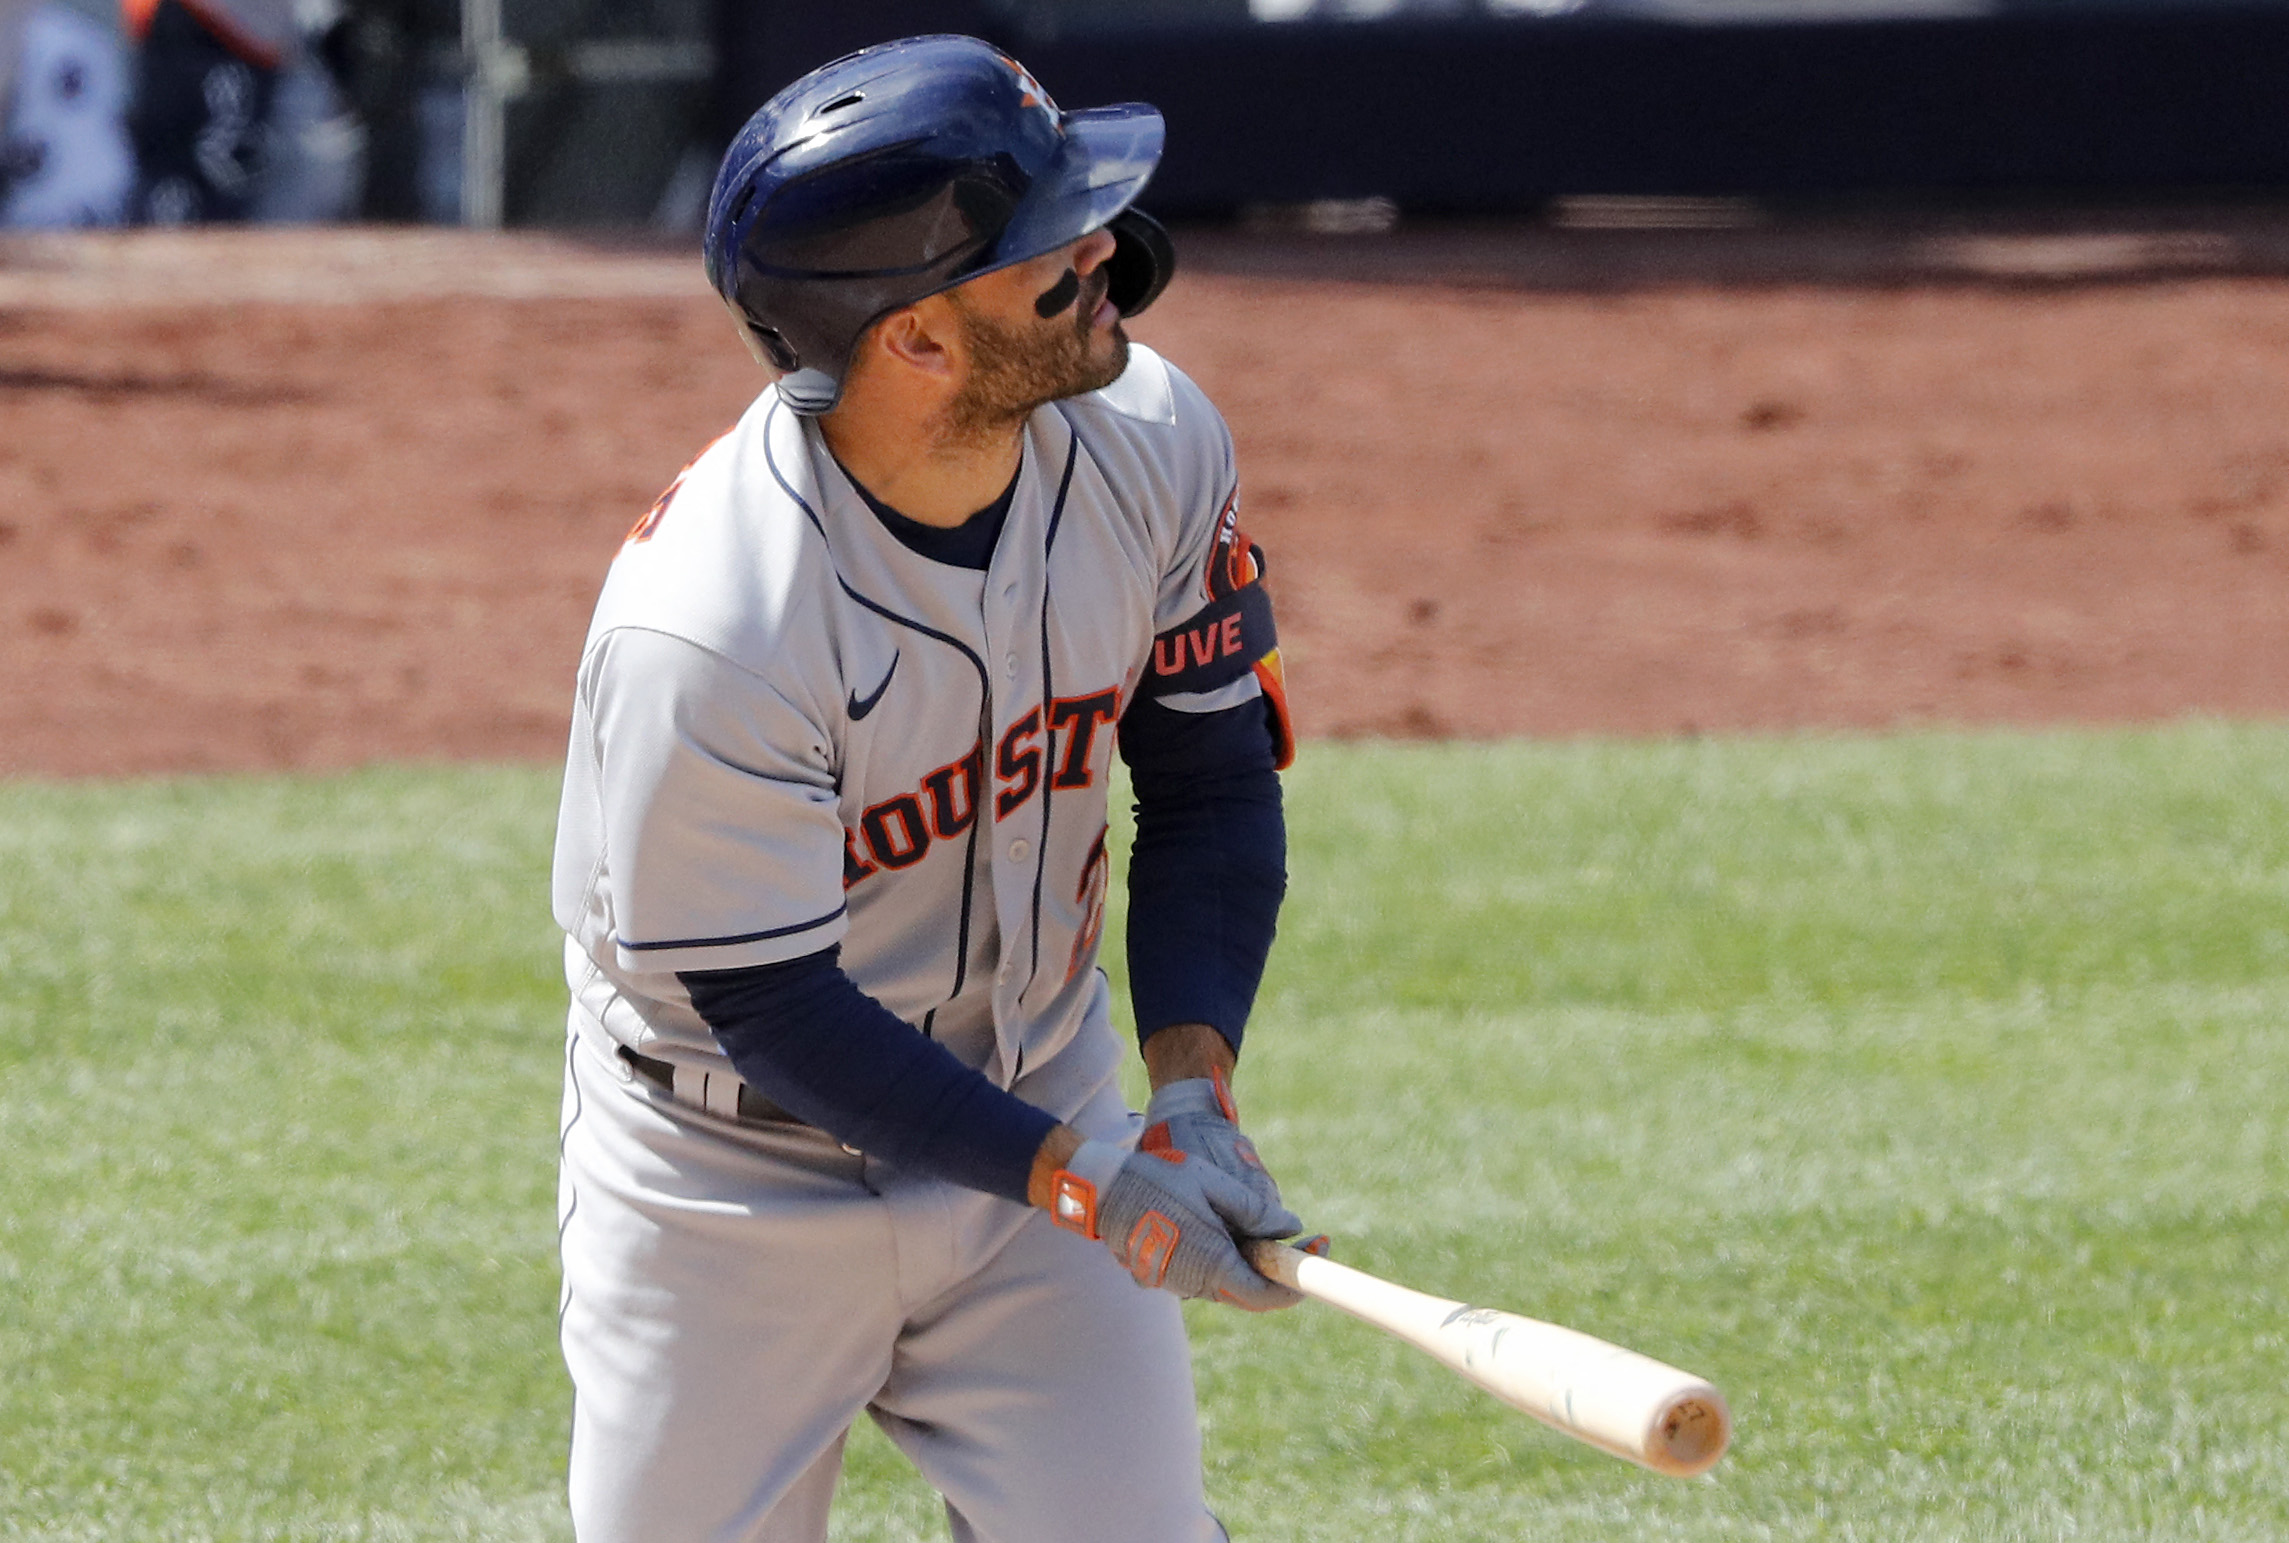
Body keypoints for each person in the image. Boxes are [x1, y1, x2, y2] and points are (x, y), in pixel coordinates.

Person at [550, 34, 1307, 1543]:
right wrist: (1084, 1189)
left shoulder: (1151, 442)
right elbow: (773, 1006)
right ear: (914, 340)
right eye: (1045, 252)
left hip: (1042, 1093)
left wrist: (1189, 1094)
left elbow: (1210, 783)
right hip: (730, 1184)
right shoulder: (713, 626)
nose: (1102, 253)